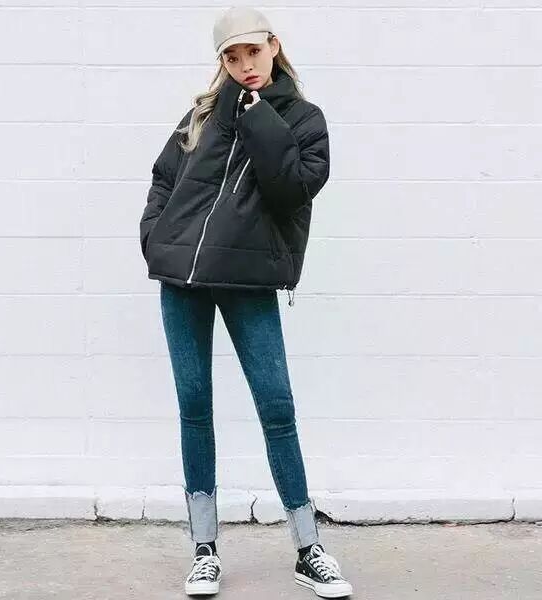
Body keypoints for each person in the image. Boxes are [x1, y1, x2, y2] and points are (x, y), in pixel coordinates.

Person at [139, 6, 353, 598]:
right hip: (182, 279)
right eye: (231, 58)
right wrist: (155, 236)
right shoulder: (203, 114)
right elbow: (163, 178)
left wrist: (257, 115)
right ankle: (204, 550)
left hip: (248, 279)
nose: (244, 65)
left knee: (276, 407)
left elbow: (292, 189)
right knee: (194, 407)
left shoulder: (303, 119)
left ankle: (308, 549)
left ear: (273, 46)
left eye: (252, 52)